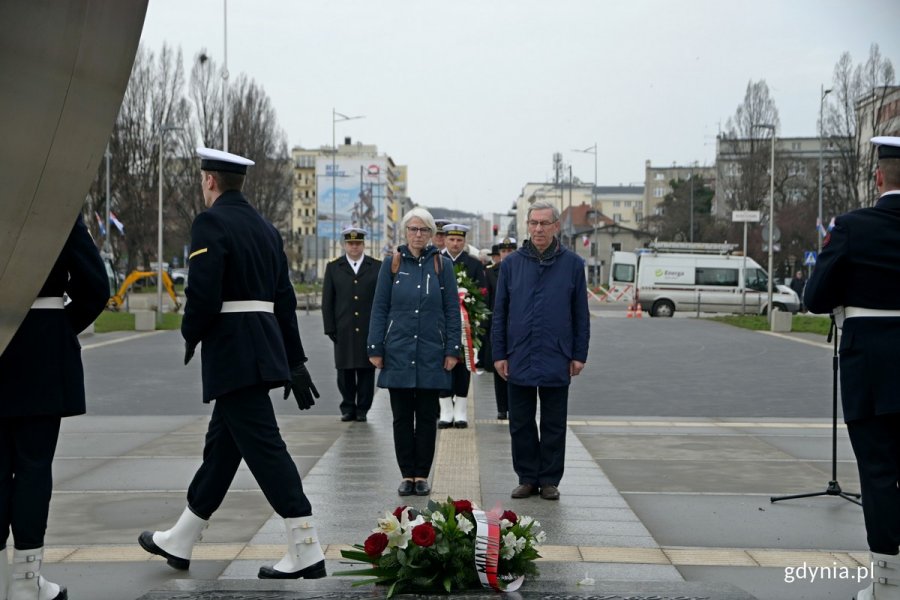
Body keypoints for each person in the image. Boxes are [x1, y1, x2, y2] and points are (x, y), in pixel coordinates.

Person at [138, 148, 324, 580]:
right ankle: (182, 538)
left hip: (233, 351)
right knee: (222, 449)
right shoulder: (266, 229)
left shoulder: (211, 222)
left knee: (264, 448)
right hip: (261, 347)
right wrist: (293, 358)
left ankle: (306, 545)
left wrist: (191, 333)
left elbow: (203, 293)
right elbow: (285, 300)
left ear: (209, 182)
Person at [805, 136, 900, 600]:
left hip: (871, 367)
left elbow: (815, 297)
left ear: (879, 176)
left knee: (879, 470)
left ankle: (888, 580)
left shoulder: (853, 227)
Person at [0, 214, 108, 600]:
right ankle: (27, 581)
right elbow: (96, 286)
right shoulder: (54, 201)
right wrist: (58, 329)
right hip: (41, 351)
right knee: (33, 466)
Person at [492, 200, 590, 501]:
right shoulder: (511, 264)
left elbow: (580, 314)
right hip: (519, 354)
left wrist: (578, 354)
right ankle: (527, 477)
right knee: (520, 421)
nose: (538, 228)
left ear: (555, 226)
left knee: (553, 422)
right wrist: (499, 354)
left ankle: (548, 479)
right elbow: (500, 314)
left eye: (544, 223)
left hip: (556, 354)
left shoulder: (572, 265)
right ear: (528, 226)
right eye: (533, 223)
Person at [367, 208, 460, 497]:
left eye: (423, 230)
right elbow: (380, 307)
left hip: (432, 351)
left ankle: (422, 474)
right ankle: (406, 474)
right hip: (398, 350)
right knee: (402, 417)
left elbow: (451, 311)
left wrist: (452, 348)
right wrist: (375, 346)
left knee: (428, 415)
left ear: (432, 234)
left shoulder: (442, 265)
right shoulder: (391, 264)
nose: (418, 235)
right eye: (413, 229)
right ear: (405, 232)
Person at [322, 227, 381, 422]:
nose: (354, 247)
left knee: (366, 369)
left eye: (358, 243)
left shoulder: (376, 266)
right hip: (343, 327)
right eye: (350, 243)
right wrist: (330, 327)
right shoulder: (334, 267)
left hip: (368, 327)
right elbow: (327, 300)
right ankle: (348, 407)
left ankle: (363, 409)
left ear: (364, 245)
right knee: (344, 370)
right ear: (344, 245)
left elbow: (381, 300)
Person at [438, 223, 486, 429]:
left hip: (466, 324)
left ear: (464, 241)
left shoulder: (473, 264)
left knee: (463, 366)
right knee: (441, 365)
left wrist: (475, 318)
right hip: (440, 324)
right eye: (451, 239)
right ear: (444, 240)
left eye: (459, 240)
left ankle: (461, 411)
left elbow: (482, 294)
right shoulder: (435, 261)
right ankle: (445, 410)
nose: (455, 244)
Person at [485, 237, 517, 420]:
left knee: (516, 366)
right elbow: (487, 299)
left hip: (516, 324)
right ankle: (502, 407)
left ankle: (514, 405)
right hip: (497, 324)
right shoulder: (490, 272)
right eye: (504, 251)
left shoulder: (521, 269)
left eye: (510, 251)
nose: (507, 254)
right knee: (499, 367)